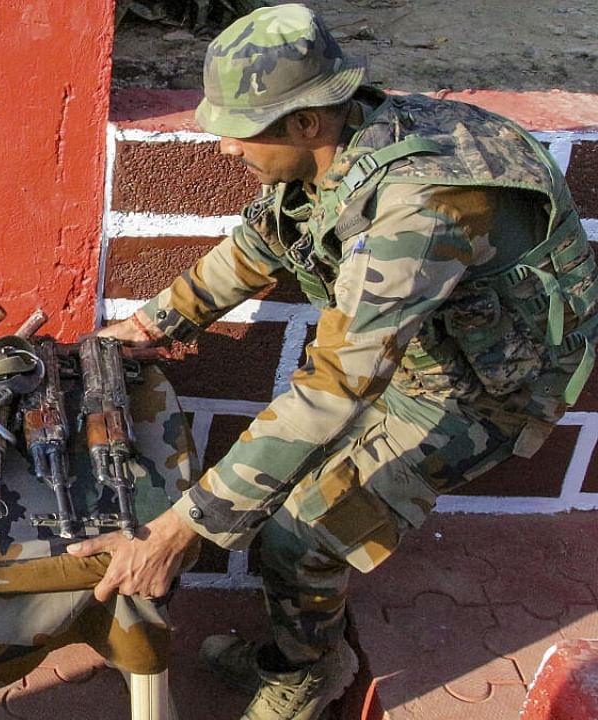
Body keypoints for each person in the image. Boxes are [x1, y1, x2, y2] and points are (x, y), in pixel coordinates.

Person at [67, 4, 598, 719]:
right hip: (416, 345)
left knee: (300, 533)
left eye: (239, 132)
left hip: (481, 387)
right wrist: (150, 324)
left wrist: (178, 530)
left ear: (307, 122)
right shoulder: (347, 139)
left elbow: (334, 390)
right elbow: (264, 242)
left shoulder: (419, 209)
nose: (225, 149)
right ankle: (299, 645)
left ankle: (308, 671)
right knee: (276, 498)